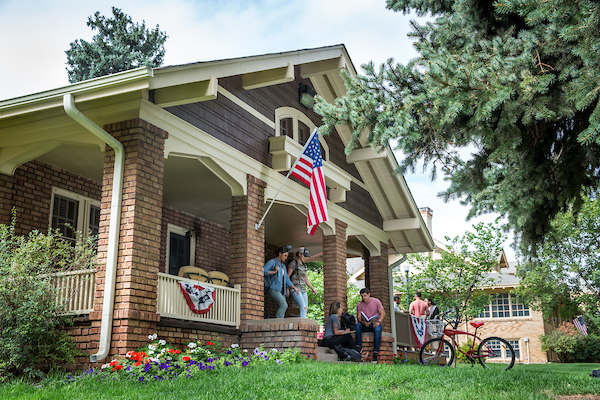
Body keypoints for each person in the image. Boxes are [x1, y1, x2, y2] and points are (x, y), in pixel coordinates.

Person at [264, 246, 299, 318]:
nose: (286, 257)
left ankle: (280, 323)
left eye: (287, 256)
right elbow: (263, 270)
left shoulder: (283, 266)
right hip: (273, 288)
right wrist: (274, 272)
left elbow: (286, 278)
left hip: (281, 290)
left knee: (284, 306)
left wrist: (292, 286)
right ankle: (277, 323)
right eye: (285, 255)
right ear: (280, 254)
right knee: (284, 305)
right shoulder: (272, 262)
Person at [355, 288, 385, 364]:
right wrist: (363, 322)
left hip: (374, 323)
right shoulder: (360, 304)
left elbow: (382, 313)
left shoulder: (376, 301)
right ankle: (359, 347)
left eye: (365, 296)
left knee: (378, 330)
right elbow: (358, 317)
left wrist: (379, 321)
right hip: (365, 324)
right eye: (362, 296)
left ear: (369, 294)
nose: (363, 298)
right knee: (358, 326)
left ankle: (375, 353)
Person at [287, 246, 318, 318]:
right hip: (295, 288)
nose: (305, 258)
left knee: (305, 309)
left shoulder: (304, 266)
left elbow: (306, 279)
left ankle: (299, 322)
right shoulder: (293, 263)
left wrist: (313, 289)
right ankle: (302, 326)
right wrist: (287, 289)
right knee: (303, 307)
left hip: (303, 289)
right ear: (299, 254)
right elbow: (287, 277)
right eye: (304, 256)